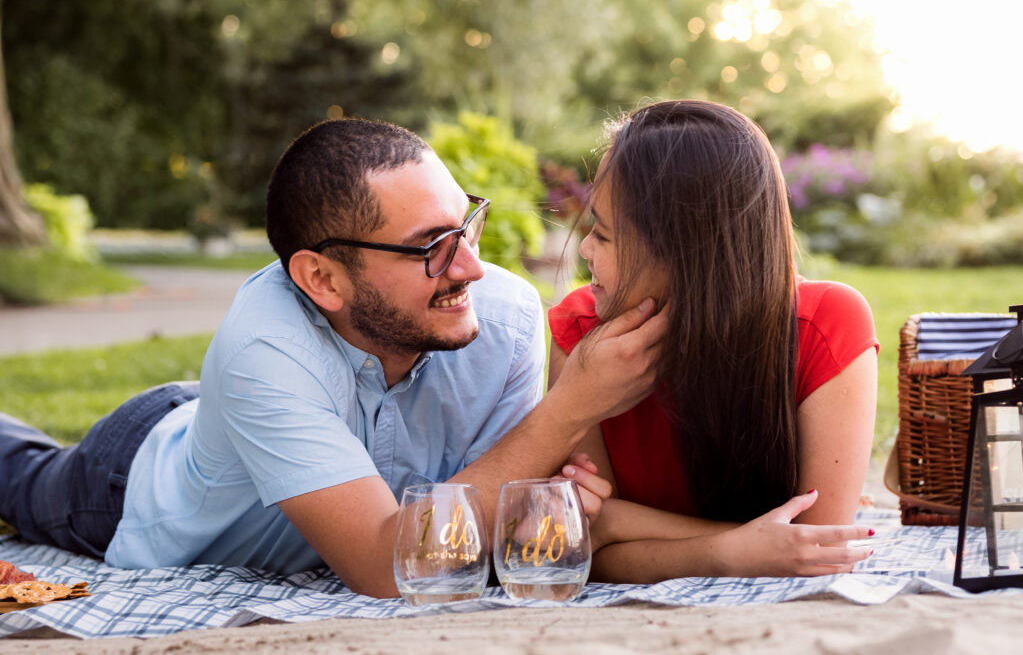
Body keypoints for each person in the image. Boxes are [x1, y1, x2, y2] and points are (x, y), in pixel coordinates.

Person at [0, 118, 666, 598]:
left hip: (250, 414)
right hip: (129, 477)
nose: (470, 265)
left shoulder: (509, 318)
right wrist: (570, 405)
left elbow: (483, 532)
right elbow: (390, 562)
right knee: (18, 475)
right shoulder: (263, 348)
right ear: (323, 280)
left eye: (467, 224)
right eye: (430, 245)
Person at [548, 100, 879, 582]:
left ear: (682, 251)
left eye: (603, 234)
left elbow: (813, 548)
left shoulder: (826, 324)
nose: (584, 249)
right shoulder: (579, 332)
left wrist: (622, 522)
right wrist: (728, 551)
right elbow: (586, 553)